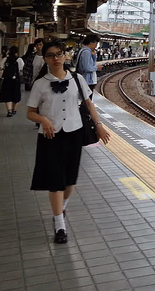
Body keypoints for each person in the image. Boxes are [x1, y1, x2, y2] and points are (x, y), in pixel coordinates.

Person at [26, 40, 111, 244]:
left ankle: (62, 206)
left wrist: (99, 125)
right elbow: (30, 113)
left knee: (69, 181)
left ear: (65, 56)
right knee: (55, 180)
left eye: (59, 54)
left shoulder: (77, 78)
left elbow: (88, 103)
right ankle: (59, 225)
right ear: (45, 58)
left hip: (74, 133)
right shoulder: (40, 84)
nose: (55, 58)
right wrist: (43, 119)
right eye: (50, 55)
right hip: (50, 136)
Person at [0, 46, 24, 117]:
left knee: (7, 95)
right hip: (16, 80)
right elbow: (21, 69)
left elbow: (1, 67)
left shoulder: (5, 59)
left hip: (7, 80)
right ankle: (13, 109)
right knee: (15, 94)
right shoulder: (19, 60)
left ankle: (9, 111)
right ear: (17, 52)